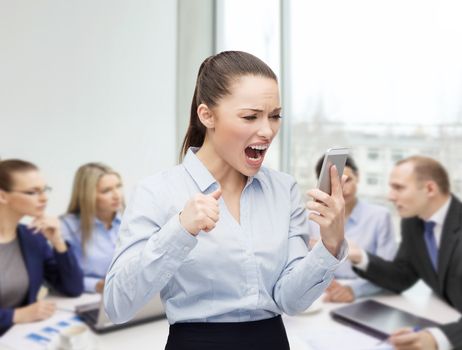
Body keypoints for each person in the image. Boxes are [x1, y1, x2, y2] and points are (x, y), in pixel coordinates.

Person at [104, 51, 348, 350]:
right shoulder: (157, 192)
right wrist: (180, 230)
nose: (267, 130)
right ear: (206, 115)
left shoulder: (284, 190)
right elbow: (117, 305)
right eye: (250, 116)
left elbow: (290, 300)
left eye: (274, 116)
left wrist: (331, 244)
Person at [349, 156, 462, 350]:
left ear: (430, 189)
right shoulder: (412, 222)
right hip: (444, 316)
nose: (390, 196)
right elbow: (403, 276)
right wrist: (360, 256)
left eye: (398, 187)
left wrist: (437, 339)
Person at [0, 159, 83, 336]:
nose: (44, 198)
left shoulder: (32, 237)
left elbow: (73, 288)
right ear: (2, 196)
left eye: (44, 190)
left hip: (16, 337)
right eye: (32, 192)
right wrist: (15, 315)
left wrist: (58, 241)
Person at [309, 155, 396, 302]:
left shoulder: (380, 217)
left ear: (358, 177)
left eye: (347, 180)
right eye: (333, 182)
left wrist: (355, 290)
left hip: (367, 294)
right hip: (322, 295)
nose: (342, 188)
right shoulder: (311, 218)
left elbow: (389, 272)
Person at [60, 163, 123, 293]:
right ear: (87, 195)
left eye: (118, 186)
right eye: (106, 190)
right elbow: (63, 278)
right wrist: (97, 285)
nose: (117, 195)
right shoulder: (66, 227)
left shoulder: (129, 221)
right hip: (88, 298)